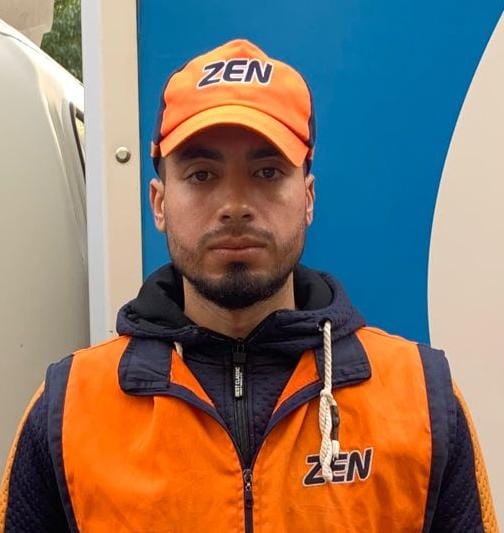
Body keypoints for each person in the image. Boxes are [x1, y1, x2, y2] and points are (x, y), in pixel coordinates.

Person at [0, 39, 498, 533]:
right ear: (159, 202)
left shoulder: (420, 400)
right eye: (202, 175)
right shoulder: (68, 412)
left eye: (267, 172)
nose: (235, 205)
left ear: (308, 197)